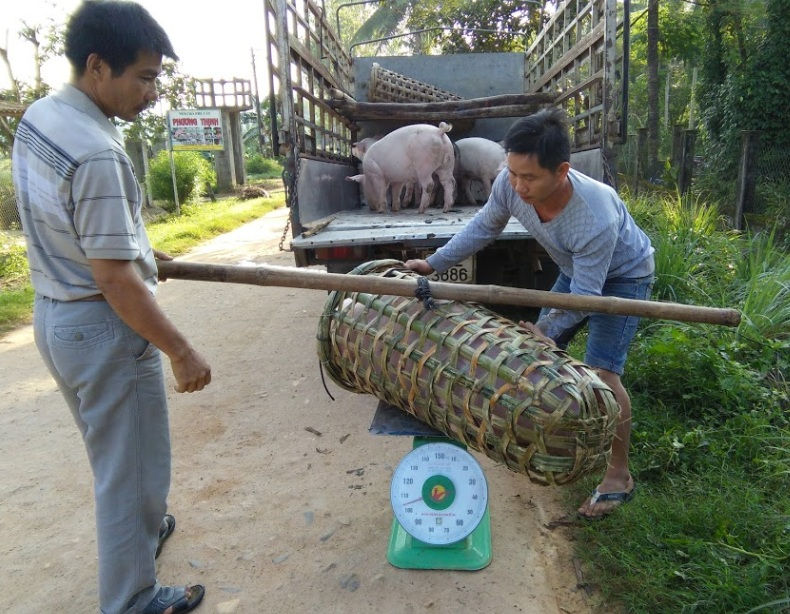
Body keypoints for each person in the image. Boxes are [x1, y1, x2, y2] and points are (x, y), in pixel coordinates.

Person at [12, 2, 211, 612]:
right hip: (103, 325)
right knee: (130, 471)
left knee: (119, 460)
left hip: (56, 317)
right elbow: (116, 281)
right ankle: (132, 599)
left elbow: (78, 231)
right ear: (98, 67)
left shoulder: (41, 117)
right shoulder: (98, 152)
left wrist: (145, 253)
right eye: (145, 78)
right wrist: (180, 350)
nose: (152, 93)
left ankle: (143, 535)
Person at [405, 108, 655, 519]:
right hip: (579, 271)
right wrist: (432, 263)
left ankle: (617, 476)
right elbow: (485, 226)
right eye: (513, 172)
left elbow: (587, 297)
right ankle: (546, 433)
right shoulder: (509, 181)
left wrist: (547, 327)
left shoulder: (596, 215)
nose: (517, 185)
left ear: (561, 171)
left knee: (604, 375)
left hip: (622, 278)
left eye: (529, 177)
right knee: (536, 354)